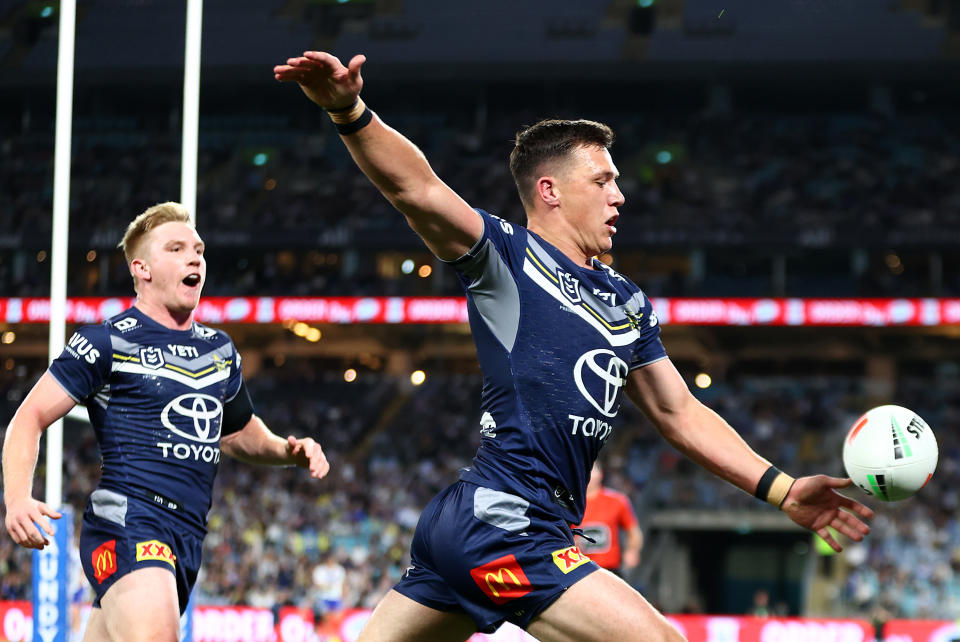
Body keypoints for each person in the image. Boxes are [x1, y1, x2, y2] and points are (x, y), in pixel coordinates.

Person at [274, 51, 874, 642]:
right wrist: (350, 111)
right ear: (551, 190)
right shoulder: (505, 259)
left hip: (487, 525)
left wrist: (783, 488)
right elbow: (418, 190)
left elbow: (678, 412)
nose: (620, 196)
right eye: (604, 180)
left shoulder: (625, 302)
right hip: (507, 522)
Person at [2, 202, 331, 642]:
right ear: (142, 268)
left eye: (198, 249)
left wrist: (286, 451)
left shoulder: (220, 350)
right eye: (175, 249)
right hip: (129, 522)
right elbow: (29, 418)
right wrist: (18, 498)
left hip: (187, 537)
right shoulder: (105, 340)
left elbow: (236, 433)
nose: (194, 257)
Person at [573, 460, 643, 576]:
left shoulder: (618, 501)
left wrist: (632, 551)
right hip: (578, 570)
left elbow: (633, 532)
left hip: (610, 570)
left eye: (591, 469)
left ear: (600, 474)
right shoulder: (568, 504)